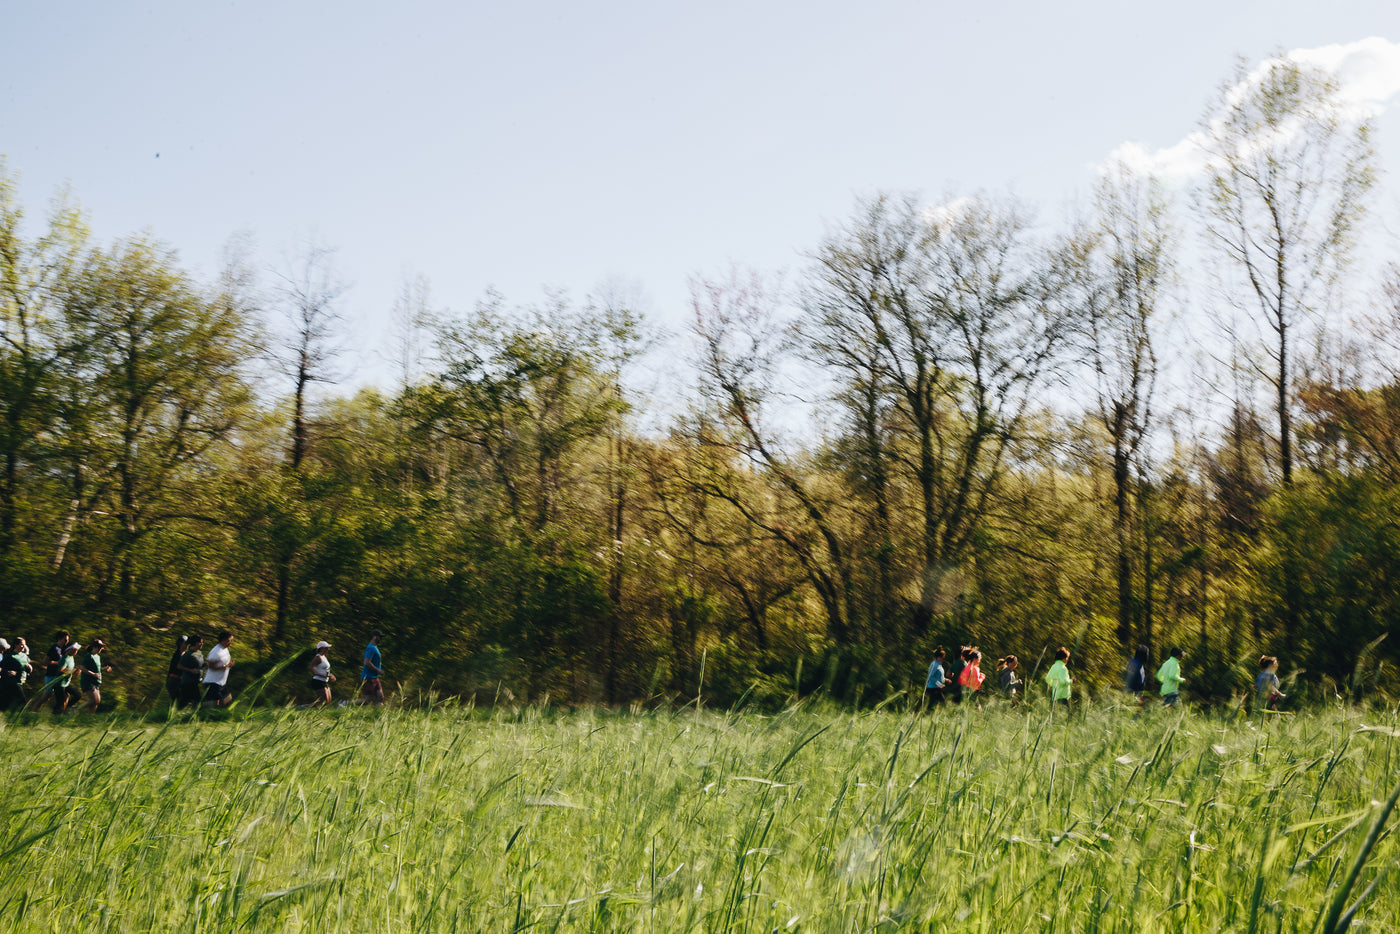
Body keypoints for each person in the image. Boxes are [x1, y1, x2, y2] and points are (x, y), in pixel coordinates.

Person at [202, 631, 235, 707]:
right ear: (223, 640)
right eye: (229, 641)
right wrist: (225, 667)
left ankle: (200, 708)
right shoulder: (216, 651)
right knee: (216, 704)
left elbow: (223, 662)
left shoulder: (225, 649)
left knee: (227, 699)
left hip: (221, 682)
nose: (231, 643)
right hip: (212, 682)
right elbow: (210, 665)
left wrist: (229, 664)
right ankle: (198, 708)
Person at [80, 639, 112, 713]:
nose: (101, 649)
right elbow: (82, 667)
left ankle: (88, 718)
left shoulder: (98, 657)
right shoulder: (89, 656)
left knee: (97, 702)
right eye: (99, 647)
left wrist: (105, 669)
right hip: (88, 681)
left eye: (101, 647)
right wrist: (93, 674)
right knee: (94, 700)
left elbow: (97, 669)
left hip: (96, 682)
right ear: (94, 647)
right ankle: (76, 708)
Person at [50, 642, 80, 714]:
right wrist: (71, 671)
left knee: (77, 695)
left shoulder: (71, 658)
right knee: (60, 703)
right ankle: (55, 718)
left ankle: (67, 707)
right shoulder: (65, 658)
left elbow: (70, 670)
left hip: (66, 683)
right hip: (59, 684)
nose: (76, 651)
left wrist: (76, 671)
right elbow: (60, 671)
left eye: (76, 649)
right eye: (74, 649)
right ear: (69, 650)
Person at [178, 636, 205, 708]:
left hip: (196, 681)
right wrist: (190, 670)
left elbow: (199, 665)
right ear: (195, 643)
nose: (202, 644)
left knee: (187, 701)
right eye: (200, 642)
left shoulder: (199, 653)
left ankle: (185, 715)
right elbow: (179, 666)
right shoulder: (188, 654)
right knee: (195, 700)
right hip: (188, 681)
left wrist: (206, 664)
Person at [359, 630, 384, 706]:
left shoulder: (375, 647)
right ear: (374, 637)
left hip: (374, 677)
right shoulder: (371, 648)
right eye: (380, 637)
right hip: (368, 678)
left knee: (380, 698)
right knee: (367, 700)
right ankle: (344, 704)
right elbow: (367, 662)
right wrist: (378, 670)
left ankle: (377, 716)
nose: (381, 639)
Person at [0, 640, 25, 710]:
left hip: (3, 681)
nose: (5, 649)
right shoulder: (3, 656)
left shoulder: (2, 655)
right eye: (3, 648)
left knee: (5, 702)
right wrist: (7, 672)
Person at [165, 635, 190, 704]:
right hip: (173, 681)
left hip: (179, 681)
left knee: (182, 700)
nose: (187, 645)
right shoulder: (177, 655)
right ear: (180, 644)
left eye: (188, 644)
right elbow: (179, 667)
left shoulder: (184, 654)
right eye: (186, 643)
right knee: (178, 701)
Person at [309, 640, 335, 706]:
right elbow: (311, 667)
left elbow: (325, 669)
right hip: (317, 681)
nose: (328, 649)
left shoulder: (324, 657)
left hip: (323, 681)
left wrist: (330, 675)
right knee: (323, 702)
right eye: (326, 648)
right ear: (321, 648)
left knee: (328, 701)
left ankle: (305, 708)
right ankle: (302, 708)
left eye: (328, 648)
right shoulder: (318, 657)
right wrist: (321, 674)